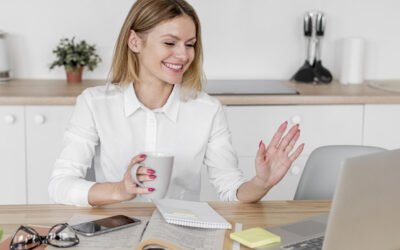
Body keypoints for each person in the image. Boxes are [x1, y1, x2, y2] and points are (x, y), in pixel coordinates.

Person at [49, 0, 304, 207]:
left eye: (190, 45)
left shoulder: (208, 110)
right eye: (170, 43)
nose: (183, 55)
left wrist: (262, 182)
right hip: (117, 232)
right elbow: (60, 185)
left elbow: (230, 189)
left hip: (181, 235)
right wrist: (120, 189)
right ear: (135, 41)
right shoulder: (95, 104)